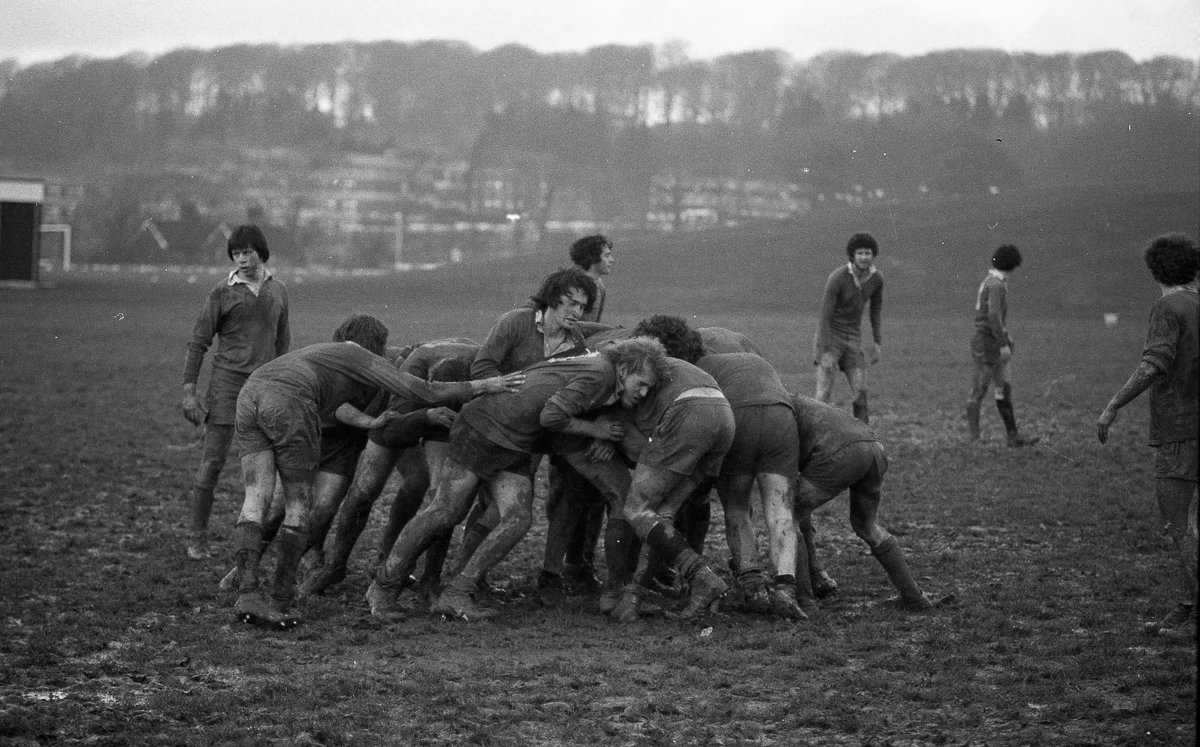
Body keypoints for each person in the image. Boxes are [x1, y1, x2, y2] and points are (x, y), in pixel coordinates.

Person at [227, 314, 523, 628]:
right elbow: (421, 390)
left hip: (251, 393)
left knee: (256, 497)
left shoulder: (320, 352)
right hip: (287, 404)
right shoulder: (358, 356)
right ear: (376, 348)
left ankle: (247, 594)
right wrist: (484, 384)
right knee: (298, 505)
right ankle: (279, 602)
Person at [365, 338, 667, 622]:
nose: (642, 393)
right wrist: (596, 431)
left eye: (647, 389)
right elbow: (552, 416)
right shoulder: (601, 373)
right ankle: (383, 586)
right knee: (445, 510)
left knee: (518, 517)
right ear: (625, 369)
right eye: (641, 385)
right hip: (483, 430)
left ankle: (458, 591)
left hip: (513, 439)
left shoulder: (601, 371)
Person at [298, 339, 478, 600]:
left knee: (435, 492)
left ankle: (407, 568)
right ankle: (334, 565)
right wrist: (423, 417)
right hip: (390, 418)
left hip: (440, 401)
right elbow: (388, 430)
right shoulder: (398, 373)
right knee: (363, 491)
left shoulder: (467, 370)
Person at [1097, 233, 1199, 636]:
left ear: (1155, 269)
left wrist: (1114, 404)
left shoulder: (1167, 307)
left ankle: (1189, 611)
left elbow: (1154, 363)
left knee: (1180, 528)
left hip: (1180, 430)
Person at [182, 224, 290, 560]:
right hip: (228, 387)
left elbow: (282, 343)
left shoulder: (279, 291)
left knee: (272, 466)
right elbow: (199, 342)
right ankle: (197, 537)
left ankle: (263, 537)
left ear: (261, 252)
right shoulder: (221, 293)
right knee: (213, 462)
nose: (242, 259)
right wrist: (189, 391)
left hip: (266, 387)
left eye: (247, 252)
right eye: (236, 253)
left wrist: (287, 386)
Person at [789, 393, 934, 612]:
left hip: (840, 453)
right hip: (873, 447)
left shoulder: (779, 407)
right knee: (868, 527)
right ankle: (914, 596)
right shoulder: (799, 401)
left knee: (787, 519)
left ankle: (805, 602)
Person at [966, 244, 1039, 446]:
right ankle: (974, 439)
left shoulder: (991, 281)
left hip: (991, 341)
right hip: (986, 343)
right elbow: (993, 317)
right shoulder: (997, 285)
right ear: (1012, 266)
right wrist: (1003, 344)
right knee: (980, 389)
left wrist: (1006, 338)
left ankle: (1013, 435)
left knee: (1002, 386)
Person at [814, 232, 883, 424]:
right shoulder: (838, 277)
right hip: (831, 338)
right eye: (860, 253)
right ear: (852, 255)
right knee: (823, 394)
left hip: (853, 339)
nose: (864, 257)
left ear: (873, 255)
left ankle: (864, 438)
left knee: (861, 392)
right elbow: (824, 315)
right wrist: (825, 351)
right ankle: (813, 435)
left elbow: (875, 311)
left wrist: (877, 342)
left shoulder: (877, 279)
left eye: (868, 253)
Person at [569, 234, 614, 323]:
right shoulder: (574, 283)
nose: (612, 260)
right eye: (606, 256)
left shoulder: (599, 284)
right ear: (593, 258)